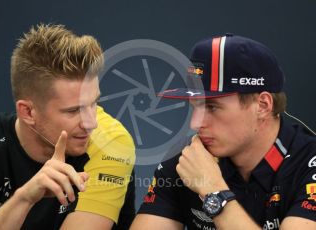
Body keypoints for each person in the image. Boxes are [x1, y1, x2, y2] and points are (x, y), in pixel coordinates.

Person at [130, 34, 316, 229]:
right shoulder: (187, 161)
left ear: (262, 105)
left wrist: (213, 192)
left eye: (212, 107)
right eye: (195, 106)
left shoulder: (308, 164)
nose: (195, 124)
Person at [0, 24, 135, 229]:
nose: (91, 123)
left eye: (94, 104)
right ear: (28, 112)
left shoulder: (110, 140)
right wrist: (24, 199)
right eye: (73, 111)